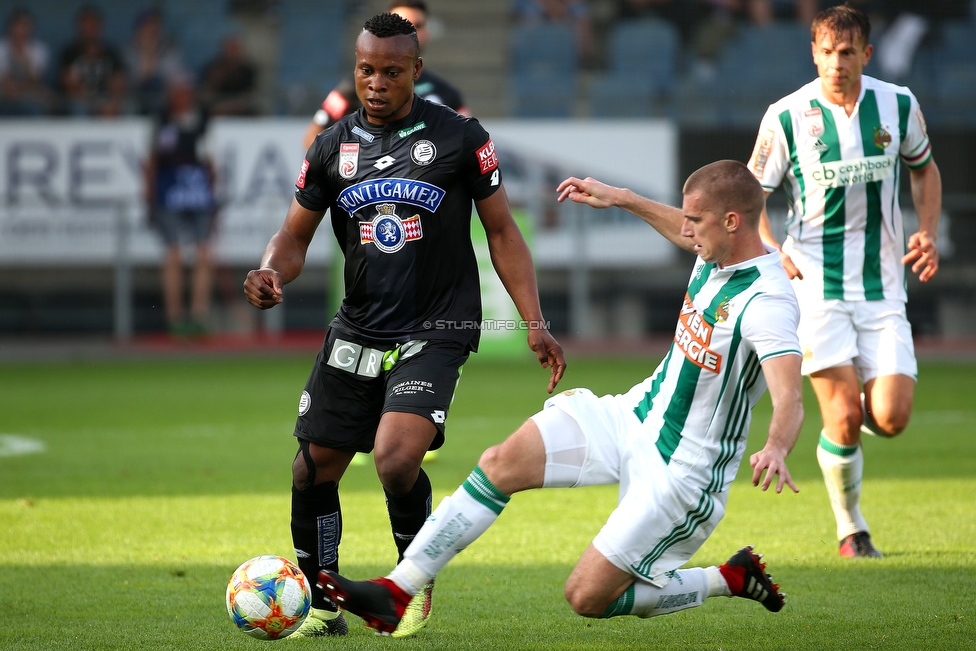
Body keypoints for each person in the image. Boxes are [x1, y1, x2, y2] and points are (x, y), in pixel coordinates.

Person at [318, 160, 806, 635]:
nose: (688, 230)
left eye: (696, 221)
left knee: (588, 597)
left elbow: (790, 397)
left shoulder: (767, 301)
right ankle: (397, 592)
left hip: (683, 471)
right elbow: (681, 229)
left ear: (732, 221)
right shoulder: (715, 245)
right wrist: (620, 197)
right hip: (633, 414)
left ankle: (729, 578)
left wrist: (777, 446)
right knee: (501, 462)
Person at [242, 12, 565, 640]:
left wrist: (535, 320)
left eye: (392, 71)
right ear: (355, 69)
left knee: (394, 458)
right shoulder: (333, 145)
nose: (377, 82)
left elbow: (502, 230)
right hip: (358, 326)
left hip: (437, 325)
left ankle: (408, 588)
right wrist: (269, 271)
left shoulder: (460, 137)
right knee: (313, 467)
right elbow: (293, 234)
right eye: (366, 69)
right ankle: (322, 601)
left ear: (416, 71)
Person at [747, 5, 942, 558]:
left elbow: (924, 169)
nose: (837, 63)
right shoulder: (786, 116)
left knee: (892, 417)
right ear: (814, 54)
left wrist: (926, 230)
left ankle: (852, 428)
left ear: (867, 55)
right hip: (816, 287)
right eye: (828, 52)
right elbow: (751, 195)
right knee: (845, 415)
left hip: (882, 286)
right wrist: (773, 249)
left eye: (848, 52)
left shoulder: (897, 105)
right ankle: (851, 529)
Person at [301, 0, 469, 151]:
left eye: (417, 25)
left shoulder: (446, 93)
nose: (411, 32)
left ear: (427, 32)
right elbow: (313, 136)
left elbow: (470, 143)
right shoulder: (354, 88)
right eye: (403, 25)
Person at [146, 76, 217, 336]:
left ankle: (199, 315)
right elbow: (151, 163)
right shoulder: (161, 123)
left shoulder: (203, 122)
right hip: (169, 193)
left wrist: (213, 198)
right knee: (173, 253)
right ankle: (174, 317)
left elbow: (211, 164)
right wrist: (150, 197)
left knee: (202, 254)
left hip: (198, 193)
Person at [57, 4, 127, 116]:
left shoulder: (111, 54)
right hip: (80, 102)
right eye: (85, 25)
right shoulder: (69, 54)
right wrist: (95, 103)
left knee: (126, 106)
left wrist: (109, 102)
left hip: (106, 102)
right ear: (78, 27)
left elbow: (118, 85)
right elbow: (70, 86)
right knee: (78, 108)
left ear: (100, 27)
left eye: (92, 25)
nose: (89, 30)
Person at [123, 9, 186, 116]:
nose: (151, 30)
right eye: (147, 26)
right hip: (136, 97)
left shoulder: (170, 48)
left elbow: (172, 77)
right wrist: (147, 53)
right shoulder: (129, 51)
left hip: (163, 98)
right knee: (129, 104)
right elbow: (134, 80)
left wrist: (153, 53)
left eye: (154, 26)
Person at [0, 8, 51, 116]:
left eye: (25, 26)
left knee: (44, 99)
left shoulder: (39, 49)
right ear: (10, 27)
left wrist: (22, 57)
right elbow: (4, 81)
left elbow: (35, 79)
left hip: (29, 92)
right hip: (4, 92)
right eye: (18, 25)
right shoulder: (2, 48)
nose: (20, 30)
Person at [199, 34, 259, 116]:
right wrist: (215, 81)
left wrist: (231, 106)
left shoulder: (248, 70)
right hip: (217, 108)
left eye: (235, 48)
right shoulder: (213, 69)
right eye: (230, 48)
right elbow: (206, 94)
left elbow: (250, 95)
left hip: (241, 108)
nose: (233, 51)